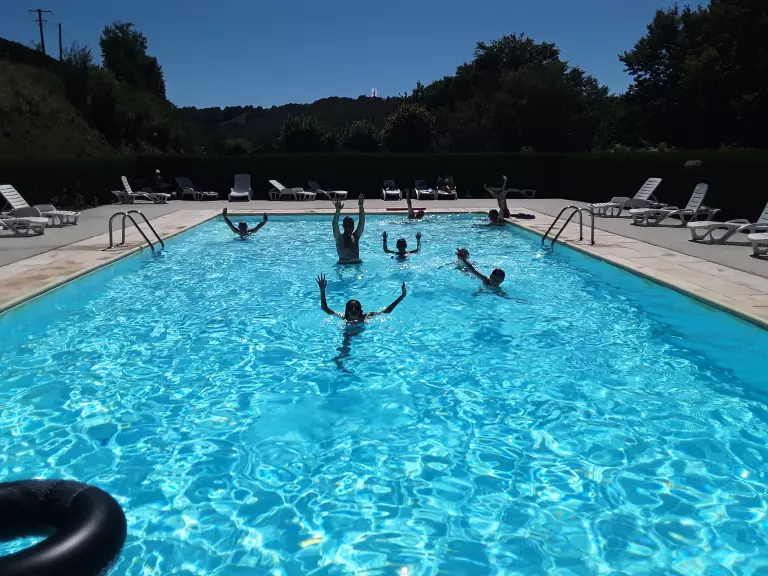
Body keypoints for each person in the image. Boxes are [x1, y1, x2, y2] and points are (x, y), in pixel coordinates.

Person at [316, 274, 406, 323]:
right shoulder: (344, 317)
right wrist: (322, 290)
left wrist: (402, 295)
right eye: (352, 310)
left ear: (360, 311)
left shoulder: (366, 316)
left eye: (355, 310)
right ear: (347, 311)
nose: (354, 311)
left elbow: (387, 311)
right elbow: (325, 308)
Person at [332, 194, 365, 264]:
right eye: (348, 226)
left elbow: (362, 222)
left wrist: (361, 206)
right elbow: (334, 225)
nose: (350, 228)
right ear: (343, 226)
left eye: (351, 226)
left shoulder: (355, 237)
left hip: (357, 264)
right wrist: (337, 210)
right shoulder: (339, 238)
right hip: (343, 265)